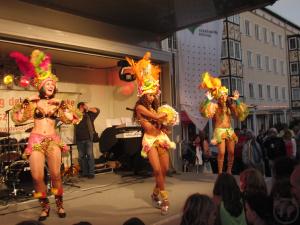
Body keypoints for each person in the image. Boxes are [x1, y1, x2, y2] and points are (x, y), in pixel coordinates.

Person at [10, 50, 82, 221]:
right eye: (47, 83)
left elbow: (74, 118)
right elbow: (17, 119)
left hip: (53, 141)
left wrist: (63, 105)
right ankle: (44, 205)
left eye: (52, 84)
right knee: (37, 177)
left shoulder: (57, 104)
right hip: (35, 140)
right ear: (40, 85)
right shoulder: (33, 103)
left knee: (56, 175)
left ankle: (59, 203)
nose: (51, 86)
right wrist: (26, 102)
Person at [127, 52, 177, 215]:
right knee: (156, 171)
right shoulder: (140, 108)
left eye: (153, 94)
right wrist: (166, 114)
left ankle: (155, 193)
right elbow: (156, 117)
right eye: (149, 94)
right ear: (143, 94)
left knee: (164, 170)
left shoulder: (153, 107)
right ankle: (165, 199)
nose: (151, 96)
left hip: (160, 138)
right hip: (149, 141)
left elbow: (157, 121)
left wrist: (164, 126)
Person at [199, 72, 249, 174]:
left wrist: (237, 100)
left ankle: (229, 171)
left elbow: (240, 113)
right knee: (222, 152)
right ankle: (220, 172)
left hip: (229, 131)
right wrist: (208, 100)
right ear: (218, 97)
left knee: (231, 152)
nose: (223, 98)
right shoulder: (216, 107)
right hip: (219, 131)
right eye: (221, 96)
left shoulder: (230, 107)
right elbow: (204, 111)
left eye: (225, 96)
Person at [75, 102, 100, 179]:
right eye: (82, 106)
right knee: (81, 157)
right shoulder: (75, 116)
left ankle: (91, 173)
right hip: (79, 139)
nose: (83, 108)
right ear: (78, 108)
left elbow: (97, 110)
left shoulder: (89, 115)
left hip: (88, 138)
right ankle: (85, 172)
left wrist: (88, 108)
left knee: (90, 155)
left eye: (84, 106)